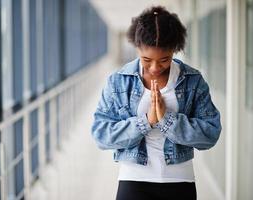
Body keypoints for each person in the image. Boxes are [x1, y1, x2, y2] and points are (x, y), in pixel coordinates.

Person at [91, 5, 221, 200]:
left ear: (175, 51)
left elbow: (210, 134)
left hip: (179, 180)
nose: (154, 68)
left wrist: (168, 119)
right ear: (136, 48)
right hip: (133, 179)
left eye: (164, 60)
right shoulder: (118, 81)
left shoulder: (193, 80)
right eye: (146, 59)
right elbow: (101, 134)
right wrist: (146, 121)